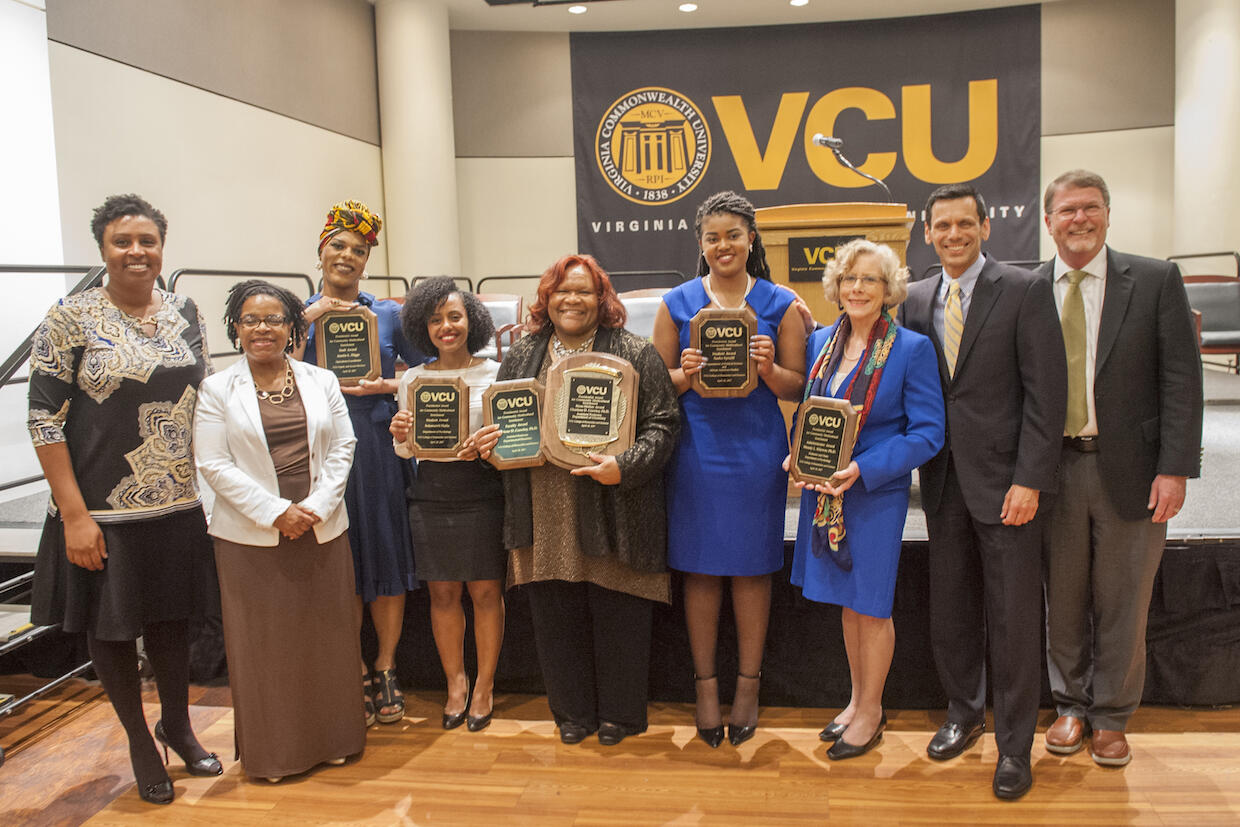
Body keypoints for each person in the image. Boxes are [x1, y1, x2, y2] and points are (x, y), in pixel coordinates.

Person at [27, 194, 219, 805]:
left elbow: (202, 400)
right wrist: (75, 516)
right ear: (103, 249)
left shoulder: (186, 311)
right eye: (122, 241)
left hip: (176, 503)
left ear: (162, 248)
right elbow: (44, 419)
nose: (137, 251)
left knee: (170, 621)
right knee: (111, 629)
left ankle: (179, 725)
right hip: (101, 511)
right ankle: (140, 740)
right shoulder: (69, 319)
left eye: (148, 241)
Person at [471, 254, 680, 746]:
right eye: (562, 291)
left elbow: (664, 425)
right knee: (554, 611)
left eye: (584, 291)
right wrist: (489, 446)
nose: (572, 300)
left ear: (601, 299)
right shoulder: (522, 355)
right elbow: (504, 423)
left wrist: (623, 468)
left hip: (614, 504)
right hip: (542, 507)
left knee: (617, 608)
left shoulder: (633, 351)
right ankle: (572, 713)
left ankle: (621, 716)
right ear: (547, 298)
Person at [901, 184, 1067, 800]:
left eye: (964, 223)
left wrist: (1030, 479)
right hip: (940, 483)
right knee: (952, 610)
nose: (953, 235)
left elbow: (1047, 400)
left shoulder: (1024, 290)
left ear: (986, 226)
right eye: (941, 225)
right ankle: (964, 714)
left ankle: (1015, 746)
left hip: (1008, 488)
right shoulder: (915, 299)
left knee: (1015, 618)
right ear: (927, 232)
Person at [1037, 170, 1203, 766]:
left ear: (1108, 213)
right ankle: (1069, 706)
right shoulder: (1029, 287)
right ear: (1048, 220)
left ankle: (1111, 715)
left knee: (1124, 598)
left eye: (1090, 208)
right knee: (1062, 594)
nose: (1079, 220)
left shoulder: (1155, 280)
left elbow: (1182, 379)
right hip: (1053, 469)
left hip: (1132, 469)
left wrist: (1176, 467)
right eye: (1067, 211)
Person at [652, 190, 807, 748]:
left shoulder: (781, 302)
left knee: (751, 569)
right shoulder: (678, 301)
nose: (724, 245)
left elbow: (799, 384)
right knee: (699, 570)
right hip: (696, 450)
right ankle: (706, 687)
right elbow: (657, 386)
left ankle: (748, 685)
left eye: (734, 235)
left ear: (751, 240)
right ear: (701, 243)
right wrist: (684, 374)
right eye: (713, 237)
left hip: (755, 450)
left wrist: (768, 370)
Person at [194, 280, 362, 782]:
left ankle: (335, 740)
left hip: (321, 530)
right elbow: (213, 464)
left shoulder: (321, 380)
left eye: (272, 319)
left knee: (327, 641)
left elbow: (343, 447)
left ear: (292, 327)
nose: (261, 328)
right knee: (264, 648)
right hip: (251, 540)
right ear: (236, 328)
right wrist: (276, 513)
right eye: (250, 319)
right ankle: (276, 755)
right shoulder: (216, 388)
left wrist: (313, 507)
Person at [788, 239, 944, 760]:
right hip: (823, 492)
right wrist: (797, 452)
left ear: (889, 289)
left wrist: (863, 468)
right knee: (848, 604)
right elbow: (812, 412)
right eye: (850, 278)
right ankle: (856, 701)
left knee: (871, 605)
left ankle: (873, 711)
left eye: (871, 279)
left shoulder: (911, 349)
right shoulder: (821, 343)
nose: (858, 288)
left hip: (872, 493)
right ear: (836, 285)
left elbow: (927, 434)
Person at [299, 200, 425, 725]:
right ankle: (348, 667)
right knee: (341, 562)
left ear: (368, 260)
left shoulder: (390, 314)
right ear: (321, 251)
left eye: (359, 249)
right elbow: (264, 370)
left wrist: (388, 384)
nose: (347, 256)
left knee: (386, 558)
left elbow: (430, 374)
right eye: (339, 246)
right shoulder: (295, 315)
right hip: (317, 452)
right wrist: (306, 321)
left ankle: (386, 665)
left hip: (375, 447)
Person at [388, 278, 505, 731]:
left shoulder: (495, 372)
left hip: (481, 490)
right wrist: (400, 435)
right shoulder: (413, 378)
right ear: (423, 327)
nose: (445, 327)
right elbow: (407, 451)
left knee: (486, 592)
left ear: (471, 320)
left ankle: (485, 686)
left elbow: (512, 437)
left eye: (453, 316)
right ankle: (456, 682)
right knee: (442, 593)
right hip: (431, 493)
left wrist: (491, 442)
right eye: (435, 319)